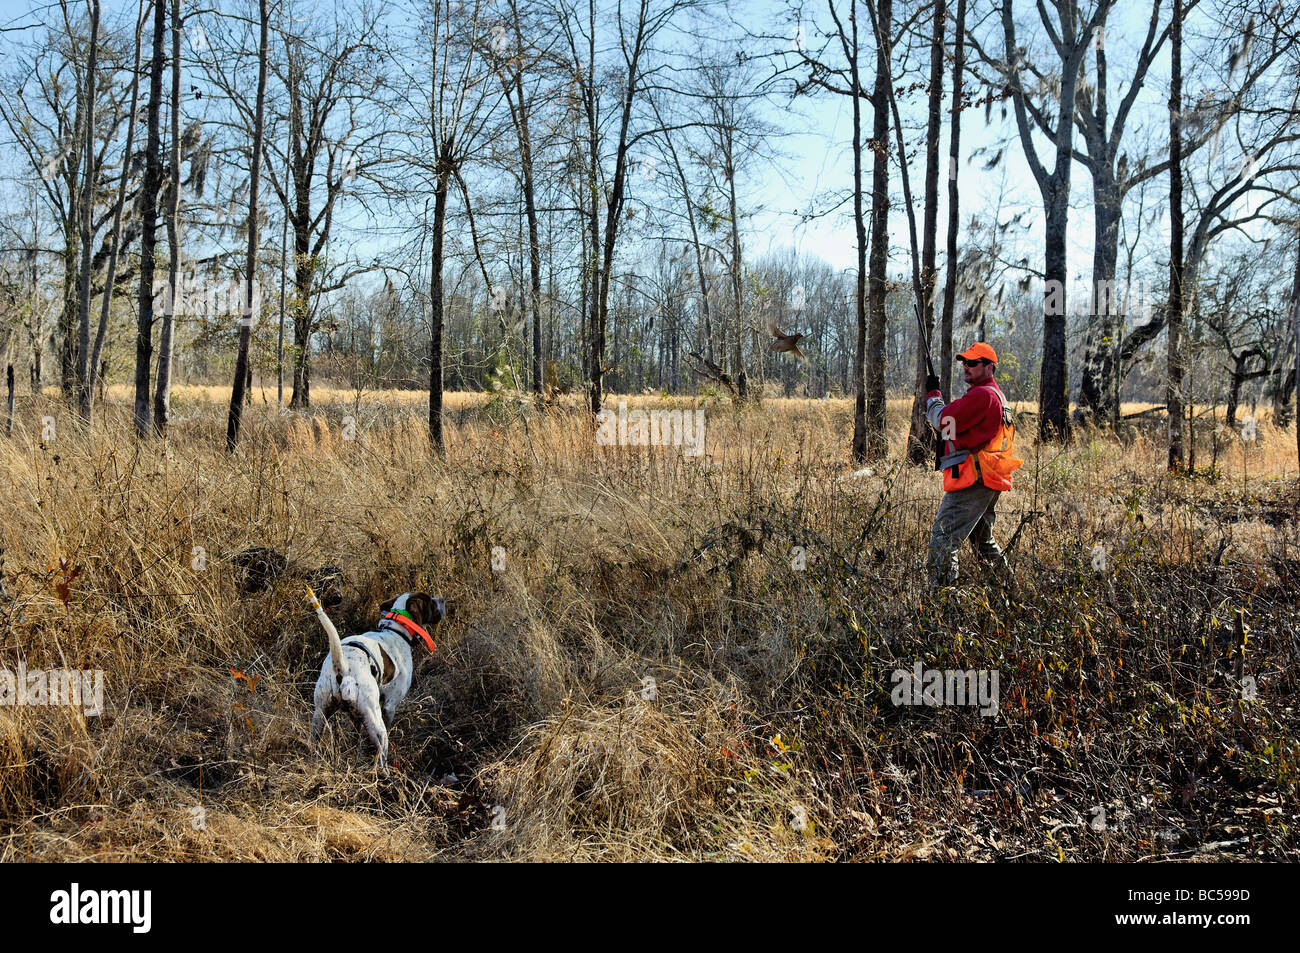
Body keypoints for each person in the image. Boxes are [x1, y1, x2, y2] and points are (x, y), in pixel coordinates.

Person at [924, 342, 1023, 590]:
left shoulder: (982, 396)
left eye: (973, 363)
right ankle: (1009, 592)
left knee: (943, 541)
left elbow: (943, 422)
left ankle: (943, 606)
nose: (966, 367)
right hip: (988, 479)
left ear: (989, 368)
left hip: (973, 481)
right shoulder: (996, 396)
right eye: (964, 362)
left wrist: (933, 397)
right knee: (982, 542)